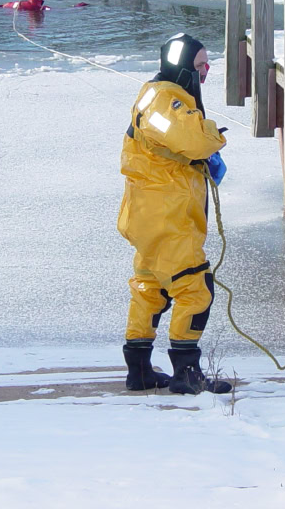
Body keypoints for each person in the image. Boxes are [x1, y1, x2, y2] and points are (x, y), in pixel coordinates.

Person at [118, 32, 232, 394]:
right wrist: (213, 135)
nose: (205, 73)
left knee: (150, 289)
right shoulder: (165, 101)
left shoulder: (162, 96)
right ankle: (186, 373)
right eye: (200, 66)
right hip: (165, 216)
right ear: (183, 66)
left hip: (152, 214)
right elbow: (194, 141)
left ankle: (139, 371)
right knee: (196, 289)